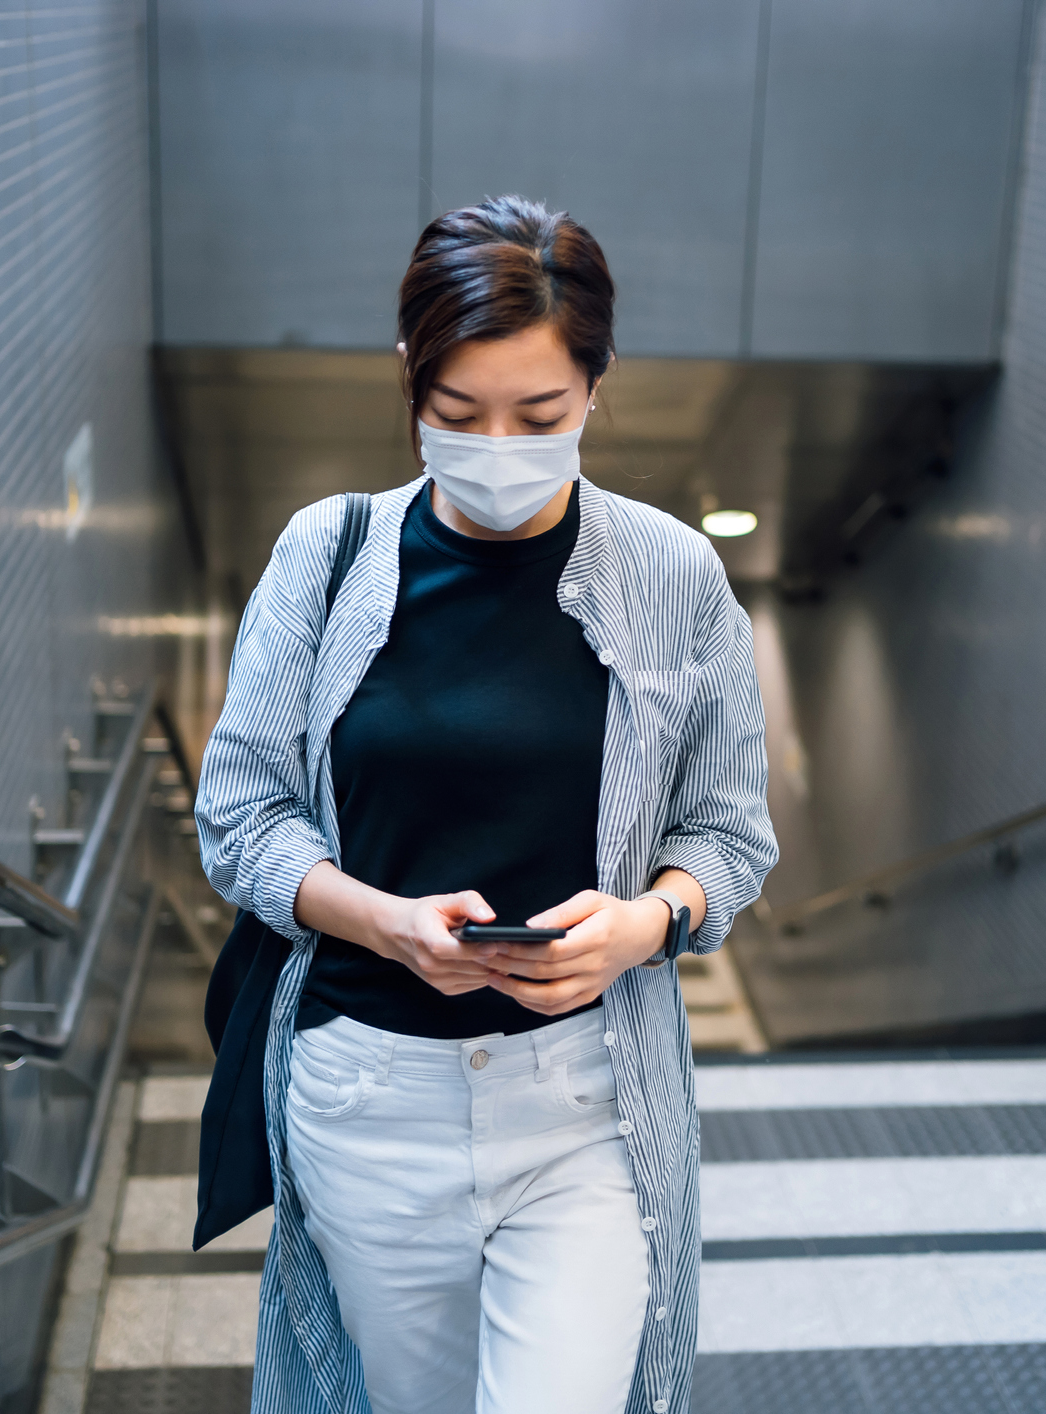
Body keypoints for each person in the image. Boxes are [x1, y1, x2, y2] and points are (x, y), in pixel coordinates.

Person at [196, 194, 777, 1414]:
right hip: (367, 1094)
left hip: (586, 1099)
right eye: (458, 415)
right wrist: (379, 918)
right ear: (409, 380)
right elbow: (241, 815)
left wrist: (648, 924)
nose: (498, 444)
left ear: (597, 388)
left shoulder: (673, 575)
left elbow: (727, 831)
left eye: (542, 415)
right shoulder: (328, 554)